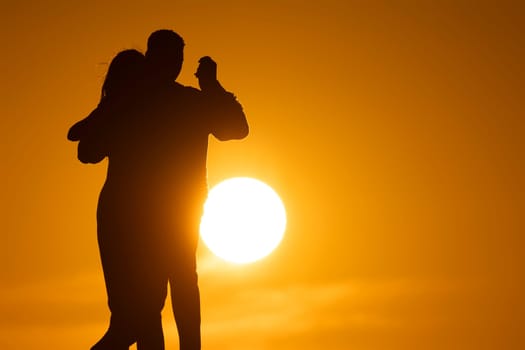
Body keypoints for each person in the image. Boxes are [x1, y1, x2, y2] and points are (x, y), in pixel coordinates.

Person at [70, 29, 249, 350]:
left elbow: (236, 129)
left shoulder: (177, 103)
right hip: (130, 219)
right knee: (146, 310)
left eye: (177, 59)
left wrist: (211, 86)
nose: (174, 66)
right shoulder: (145, 104)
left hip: (167, 213)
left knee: (157, 301)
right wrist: (210, 86)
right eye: (171, 59)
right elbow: (86, 148)